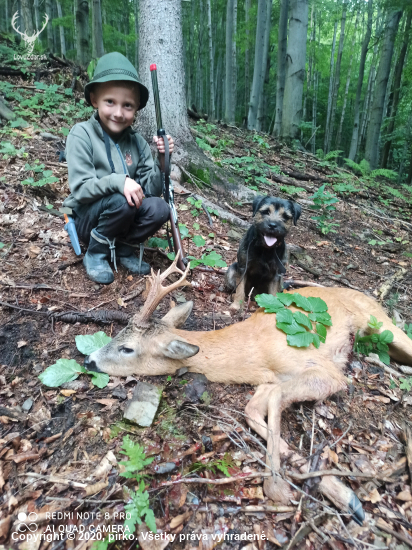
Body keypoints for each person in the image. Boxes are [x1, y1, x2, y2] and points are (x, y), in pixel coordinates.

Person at [63, 52, 173, 284]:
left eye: (128, 106)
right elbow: (81, 189)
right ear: (94, 100)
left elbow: (150, 191)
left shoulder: (137, 143)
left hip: (124, 215)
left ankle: (123, 247)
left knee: (160, 208)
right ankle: (96, 253)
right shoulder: (81, 134)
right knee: (121, 200)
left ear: (135, 110)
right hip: (89, 218)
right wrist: (119, 182)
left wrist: (162, 161)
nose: (118, 112)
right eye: (110, 101)